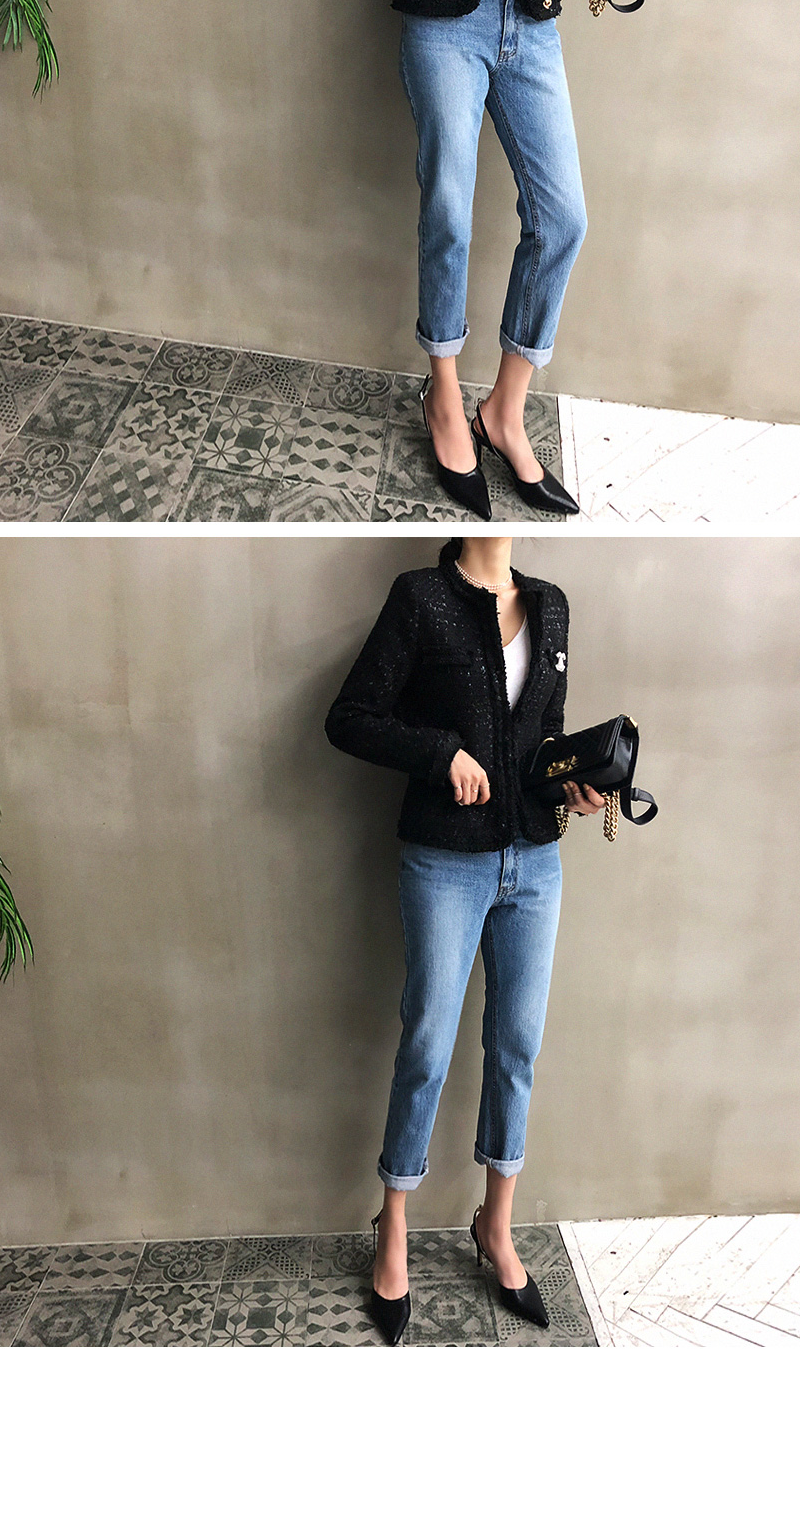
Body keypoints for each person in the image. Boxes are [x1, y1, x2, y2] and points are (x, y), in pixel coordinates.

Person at [324, 533, 603, 1344]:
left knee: (518, 1044)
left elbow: (542, 737)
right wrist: (440, 751)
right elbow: (350, 718)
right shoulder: (421, 598)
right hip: (445, 861)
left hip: (536, 863)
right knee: (428, 1044)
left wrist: (573, 782)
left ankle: (496, 1225)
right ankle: (393, 1222)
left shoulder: (550, 605)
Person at [346, 0, 587, 520]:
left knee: (563, 218)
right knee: (449, 204)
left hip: (531, 22)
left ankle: (505, 411)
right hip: (444, 23)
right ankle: (444, 394)